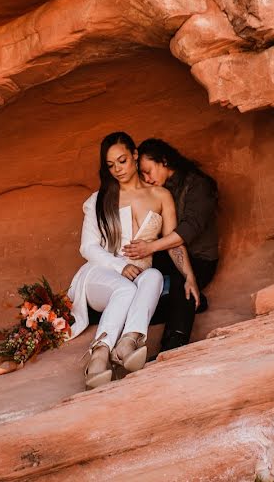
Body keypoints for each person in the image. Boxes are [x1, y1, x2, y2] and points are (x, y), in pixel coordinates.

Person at [67, 132, 198, 390]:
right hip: (99, 274)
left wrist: (189, 277)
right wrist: (120, 266)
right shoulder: (99, 200)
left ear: (135, 156)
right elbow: (88, 247)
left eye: (123, 161)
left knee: (155, 277)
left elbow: (174, 242)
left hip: (138, 277)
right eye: (111, 165)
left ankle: (128, 343)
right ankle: (99, 354)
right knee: (125, 288)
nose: (117, 169)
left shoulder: (160, 196)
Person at [123, 138, 218, 353]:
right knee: (138, 277)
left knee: (179, 282)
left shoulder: (198, 185)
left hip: (200, 257)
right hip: (168, 251)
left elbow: (187, 231)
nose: (146, 178)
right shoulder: (160, 190)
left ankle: (174, 343)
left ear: (164, 161)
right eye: (143, 174)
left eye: (148, 171)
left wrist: (150, 247)